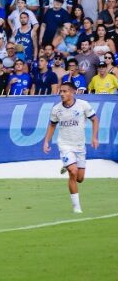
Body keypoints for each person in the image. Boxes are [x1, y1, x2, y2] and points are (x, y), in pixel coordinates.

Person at [43, 82, 99, 213]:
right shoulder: (56, 109)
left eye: (65, 91)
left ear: (72, 92)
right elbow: (52, 125)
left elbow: (95, 119)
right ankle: (77, 208)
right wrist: (46, 141)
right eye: (60, 91)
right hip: (65, 145)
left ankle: (67, 164)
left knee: (80, 178)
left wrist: (95, 137)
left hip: (79, 146)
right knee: (73, 172)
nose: (62, 94)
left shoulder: (83, 105)